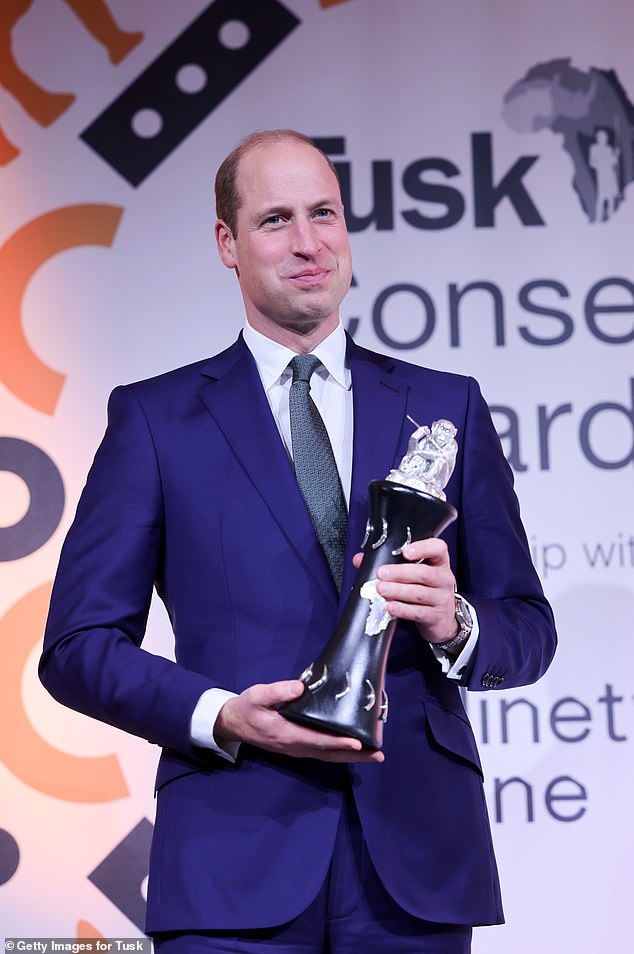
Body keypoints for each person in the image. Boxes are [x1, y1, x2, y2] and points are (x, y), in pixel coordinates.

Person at [40, 130, 557, 953]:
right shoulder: (155, 420)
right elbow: (77, 646)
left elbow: (528, 627)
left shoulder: (445, 405)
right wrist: (222, 716)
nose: (309, 243)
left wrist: (454, 621)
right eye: (276, 220)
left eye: (324, 213)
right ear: (228, 245)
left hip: (417, 865)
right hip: (231, 861)